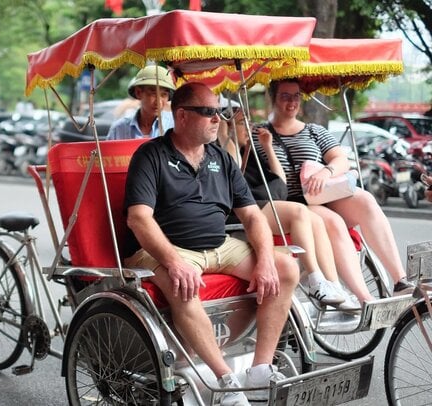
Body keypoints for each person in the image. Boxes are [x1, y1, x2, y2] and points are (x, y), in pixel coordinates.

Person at [124, 82, 299, 405]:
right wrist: (174, 262)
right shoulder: (151, 155)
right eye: (208, 112)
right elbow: (139, 219)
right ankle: (225, 382)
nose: (218, 118)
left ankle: (260, 370)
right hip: (167, 248)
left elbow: (253, 217)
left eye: (219, 112)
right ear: (182, 116)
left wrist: (264, 260)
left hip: (220, 246)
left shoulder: (220, 157)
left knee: (285, 266)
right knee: (182, 285)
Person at [260, 78, 414, 295]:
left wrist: (326, 172)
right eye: (285, 96)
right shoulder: (259, 135)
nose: (292, 102)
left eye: (296, 96)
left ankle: (400, 280)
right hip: (291, 202)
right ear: (273, 98)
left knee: (366, 200)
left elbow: (341, 159)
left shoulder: (314, 131)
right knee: (334, 221)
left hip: (323, 194)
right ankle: (364, 297)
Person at [219, 114, 365, 310]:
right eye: (240, 123)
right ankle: (315, 279)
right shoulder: (223, 149)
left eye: (248, 123)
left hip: (265, 201)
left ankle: (333, 285)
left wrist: (268, 147)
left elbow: (280, 180)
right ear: (227, 126)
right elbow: (234, 167)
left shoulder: (250, 152)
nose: (248, 128)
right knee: (298, 211)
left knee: (316, 220)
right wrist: (225, 135)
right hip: (241, 208)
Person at [107, 65, 175, 140]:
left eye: (164, 95)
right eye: (153, 94)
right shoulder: (118, 129)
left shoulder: (175, 126)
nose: (158, 102)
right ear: (138, 93)